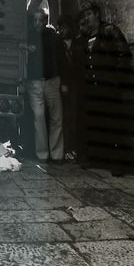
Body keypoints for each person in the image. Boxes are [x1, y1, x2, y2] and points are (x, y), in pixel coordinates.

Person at [73, 3, 134, 175]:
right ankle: (100, 159)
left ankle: (119, 164)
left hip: (109, 86)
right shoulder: (86, 37)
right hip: (93, 88)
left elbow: (123, 54)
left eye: (88, 14)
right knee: (97, 123)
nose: (86, 18)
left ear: (97, 14)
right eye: (84, 16)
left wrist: (116, 79)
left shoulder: (110, 30)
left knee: (114, 124)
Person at [26, 8, 64, 163]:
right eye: (35, 20)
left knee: (56, 117)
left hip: (52, 80)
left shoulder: (53, 37)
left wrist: (62, 80)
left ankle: (57, 155)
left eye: (41, 20)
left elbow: (61, 59)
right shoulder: (27, 36)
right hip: (34, 82)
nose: (38, 23)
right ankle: (42, 154)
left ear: (46, 21)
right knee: (39, 117)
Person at [55, 14, 78, 161]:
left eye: (64, 27)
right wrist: (63, 83)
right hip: (63, 84)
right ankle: (66, 148)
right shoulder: (58, 44)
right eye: (60, 28)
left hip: (76, 84)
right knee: (64, 117)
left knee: (74, 116)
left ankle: (74, 148)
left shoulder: (78, 42)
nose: (62, 30)